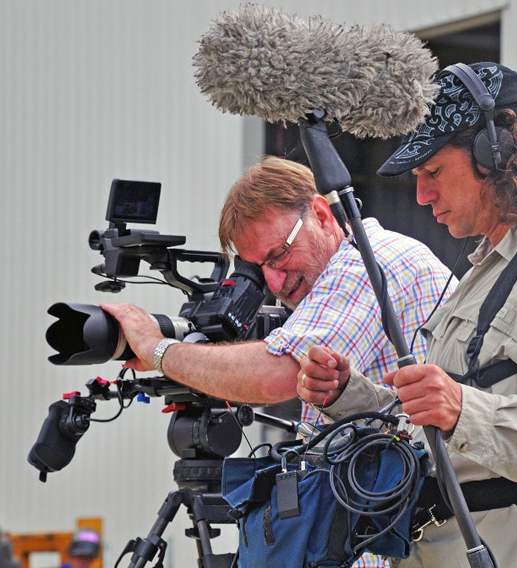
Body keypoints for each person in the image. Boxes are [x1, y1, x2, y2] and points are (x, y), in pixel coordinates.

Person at [297, 61, 517, 568]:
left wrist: (462, 409)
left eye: (433, 171)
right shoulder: (484, 271)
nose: (421, 195)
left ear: (494, 154)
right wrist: (352, 397)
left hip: (516, 550)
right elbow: (441, 433)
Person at [101, 156, 453, 568]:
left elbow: (276, 374)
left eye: (279, 255)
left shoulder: (364, 263)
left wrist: (158, 349)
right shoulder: (382, 256)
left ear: (321, 214)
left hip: (404, 541)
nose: (274, 282)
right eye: (258, 268)